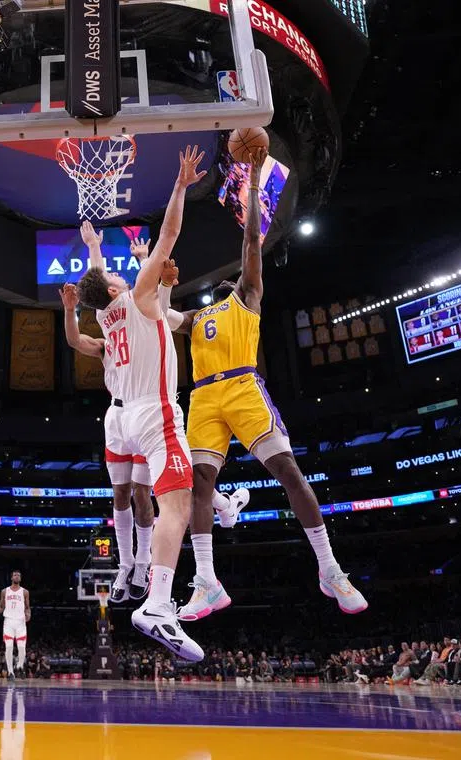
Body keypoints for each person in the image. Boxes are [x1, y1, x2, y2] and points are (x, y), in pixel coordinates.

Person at [171, 146, 366, 621]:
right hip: (203, 397)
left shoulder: (246, 296)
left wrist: (254, 183)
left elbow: (252, 245)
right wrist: (155, 277)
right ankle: (206, 582)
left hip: (242, 387)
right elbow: (158, 314)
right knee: (200, 484)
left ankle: (329, 568)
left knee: (287, 471)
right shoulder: (195, 318)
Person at [74, 145, 207, 660]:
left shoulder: (105, 313)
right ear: (115, 290)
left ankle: (150, 579)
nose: (120, 275)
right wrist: (180, 185)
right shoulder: (138, 297)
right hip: (155, 413)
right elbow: (169, 234)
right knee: (177, 502)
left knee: (165, 495)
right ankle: (156, 603)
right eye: (114, 277)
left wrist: (93, 247)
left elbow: (96, 280)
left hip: (125, 417)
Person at [61, 247, 247, 604]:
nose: (120, 279)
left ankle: (146, 561)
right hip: (119, 417)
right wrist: (89, 264)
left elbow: (130, 291)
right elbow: (96, 293)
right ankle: (128, 563)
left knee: (149, 492)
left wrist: (125, 255)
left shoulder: (136, 308)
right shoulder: (107, 329)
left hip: (146, 410)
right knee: (122, 494)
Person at [0, 570, 30, 678]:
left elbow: (27, 608)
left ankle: (19, 666)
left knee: (22, 648)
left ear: (20, 578)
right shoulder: (4, 591)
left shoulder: (25, 592)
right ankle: (10, 672)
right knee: (8, 647)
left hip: (20, 622)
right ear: (11, 578)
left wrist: (28, 614)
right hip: (8, 622)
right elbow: (1, 606)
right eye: (15, 575)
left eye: (18, 575)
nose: (17, 576)